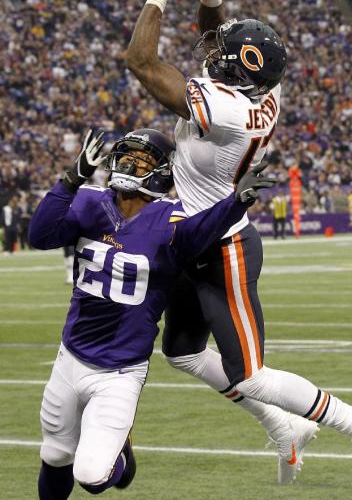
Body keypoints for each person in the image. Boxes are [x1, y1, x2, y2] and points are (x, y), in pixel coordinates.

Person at [125, 0, 352, 489]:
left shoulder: (224, 110)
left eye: (225, 58)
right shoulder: (261, 92)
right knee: (180, 352)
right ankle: (284, 428)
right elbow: (214, 39)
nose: (215, 56)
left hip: (224, 247)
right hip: (194, 235)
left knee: (247, 371)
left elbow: (140, 59)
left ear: (237, 76)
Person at [29, 128, 271, 500]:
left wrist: (236, 202)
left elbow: (205, 229)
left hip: (119, 370)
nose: (129, 163)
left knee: (92, 476)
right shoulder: (91, 200)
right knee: (55, 453)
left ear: (163, 172)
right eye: (126, 155)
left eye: (142, 160)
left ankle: (120, 451)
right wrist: (70, 178)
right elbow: (40, 235)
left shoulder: (172, 219)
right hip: (70, 356)